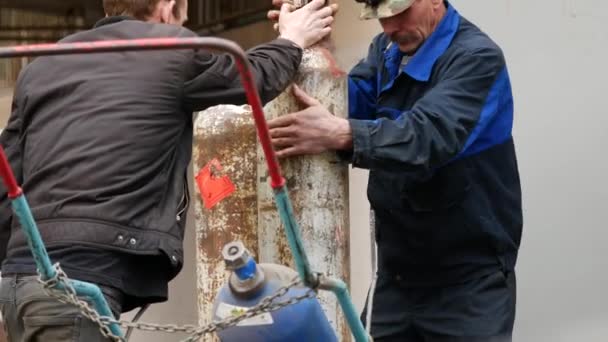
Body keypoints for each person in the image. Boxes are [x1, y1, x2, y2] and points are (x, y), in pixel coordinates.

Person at [0, 0, 335, 340]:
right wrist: (291, 39)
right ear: (168, 7)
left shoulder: (41, 68)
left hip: (20, 283)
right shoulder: (170, 50)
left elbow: (6, 184)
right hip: (80, 284)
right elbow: (253, 78)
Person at [267, 0, 522, 341]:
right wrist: (314, 48)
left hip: (467, 286)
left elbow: (428, 136)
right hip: (396, 281)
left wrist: (341, 133)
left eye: (399, 13)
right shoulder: (386, 50)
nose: (389, 27)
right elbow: (343, 104)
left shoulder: (477, 58)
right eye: (381, 16)